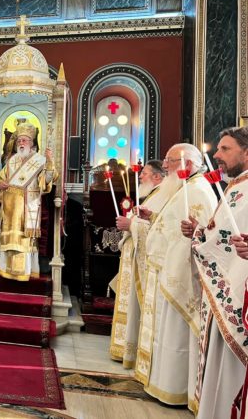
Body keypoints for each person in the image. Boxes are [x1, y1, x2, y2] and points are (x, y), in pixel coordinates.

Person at [134, 144, 217, 412]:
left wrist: (174, 266)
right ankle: (162, 382)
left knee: (177, 336)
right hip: (167, 267)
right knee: (166, 334)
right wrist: (153, 216)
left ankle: (175, 387)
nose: (165, 165)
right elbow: (172, 223)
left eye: (170, 160)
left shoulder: (198, 190)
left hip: (180, 274)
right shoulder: (185, 186)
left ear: (187, 164)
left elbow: (198, 234)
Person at [185, 127, 248, 418]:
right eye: (218, 149)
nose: (218, 155)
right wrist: (199, 231)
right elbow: (222, 235)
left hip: (239, 290)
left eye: (225, 149)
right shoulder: (236, 186)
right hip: (227, 284)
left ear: (246, 152)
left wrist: (200, 237)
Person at [110, 160, 166, 368]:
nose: (140, 176)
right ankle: (126, 348)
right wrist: (133, 223)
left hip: (145, 262)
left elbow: (160, 230)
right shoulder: (153, 195)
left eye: (145, 173)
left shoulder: (162, 196)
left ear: (157, 177)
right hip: (133, 257)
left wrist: (131, 224)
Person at [0, 122, 58, 281]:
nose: (21, 143)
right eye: (19, 140)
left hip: (27, 206)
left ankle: (23, 271)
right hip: (9, 207)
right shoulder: (12, 160)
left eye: (24, 140)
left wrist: (50, 162)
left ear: (32, 143)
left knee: (23, 240)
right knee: (9, 239)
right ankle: (4, 269)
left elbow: (47, 180)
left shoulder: (39, 160)